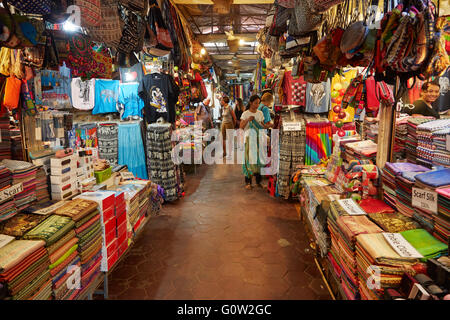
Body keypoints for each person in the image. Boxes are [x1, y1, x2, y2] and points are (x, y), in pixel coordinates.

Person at [240, 95, 265, 190]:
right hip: (249, 140)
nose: (257, 105)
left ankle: (258, 181)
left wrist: (269, 125)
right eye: (255, 103)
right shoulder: (245, 114)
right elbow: (241, 126)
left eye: (258, 103)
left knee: (258, 161)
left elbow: (262, 126)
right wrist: (247, 120)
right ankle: (248, 182)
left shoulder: (260, 113)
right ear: (251, 102)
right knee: (248, 160)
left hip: (258, 140)